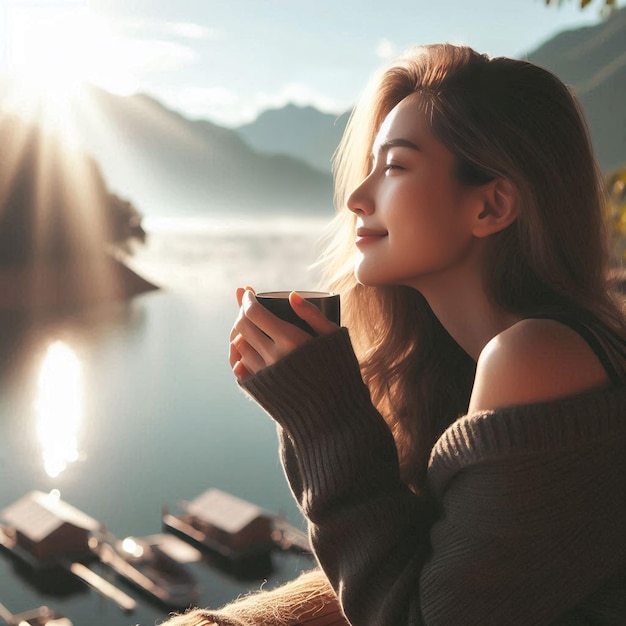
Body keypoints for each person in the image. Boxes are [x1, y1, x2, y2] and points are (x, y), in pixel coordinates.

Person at [168, 43, 626, 625]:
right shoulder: (525, 352)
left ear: (492, 205)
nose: (359, 197)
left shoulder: (534, 357)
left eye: (397, 166)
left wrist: (322, 413)